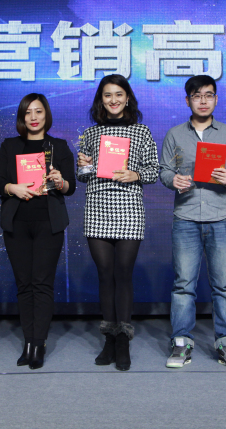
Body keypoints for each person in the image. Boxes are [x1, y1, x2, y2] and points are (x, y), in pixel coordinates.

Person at [159, 75, 226, 369]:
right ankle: (181, 342)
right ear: (187, 101)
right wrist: (173, 180)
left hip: (220, 216)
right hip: (185, 217)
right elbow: (163, 170)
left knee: (223, 284)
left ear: (216, 99)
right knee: (183, 284)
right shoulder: (175, 134)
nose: (203, 101)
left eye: (209, 95)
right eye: (197, 96)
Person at [77, 74, 159, 371]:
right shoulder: (90, 134)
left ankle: (123, 339)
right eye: (107, 95)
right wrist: (83, 166)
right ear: (101, 100)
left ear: (127, 98)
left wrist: (135, 174)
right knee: (105, 275)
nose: (113, 100)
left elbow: (154, 169)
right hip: (98, 207)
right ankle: (109, 339)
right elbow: (82, 177)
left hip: (128, 207)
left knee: (123, 274)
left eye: (118, 94)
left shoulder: (141, 131)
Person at [0, 94, 76, 370]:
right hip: (17, 223)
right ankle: (28, 341)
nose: (33, 117)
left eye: (38, 111)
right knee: (24, 284)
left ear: (46, 115)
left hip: (48, 223)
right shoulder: (10, 145)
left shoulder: (59, 146)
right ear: (21, 116)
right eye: (28, 112)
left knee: (42, 283)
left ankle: (38, 342)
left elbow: (71, 186)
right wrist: (12, 188)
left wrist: (60, 182)